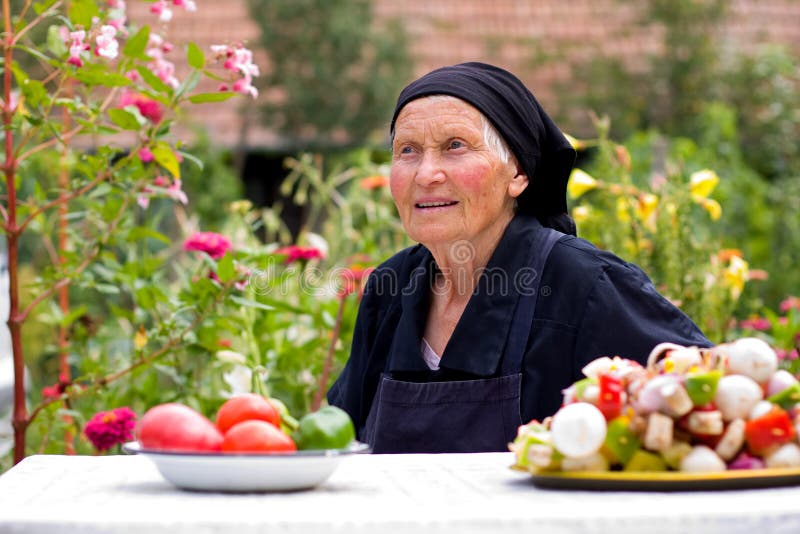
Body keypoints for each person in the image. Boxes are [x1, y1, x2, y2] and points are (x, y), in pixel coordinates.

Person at [327, 62, 710, 454]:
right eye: (407, 150)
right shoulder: (392, 286)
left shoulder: (582, 282)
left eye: (455, 146)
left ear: (519, 173)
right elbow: (341, 439)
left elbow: (707, 397)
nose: (426, 174)